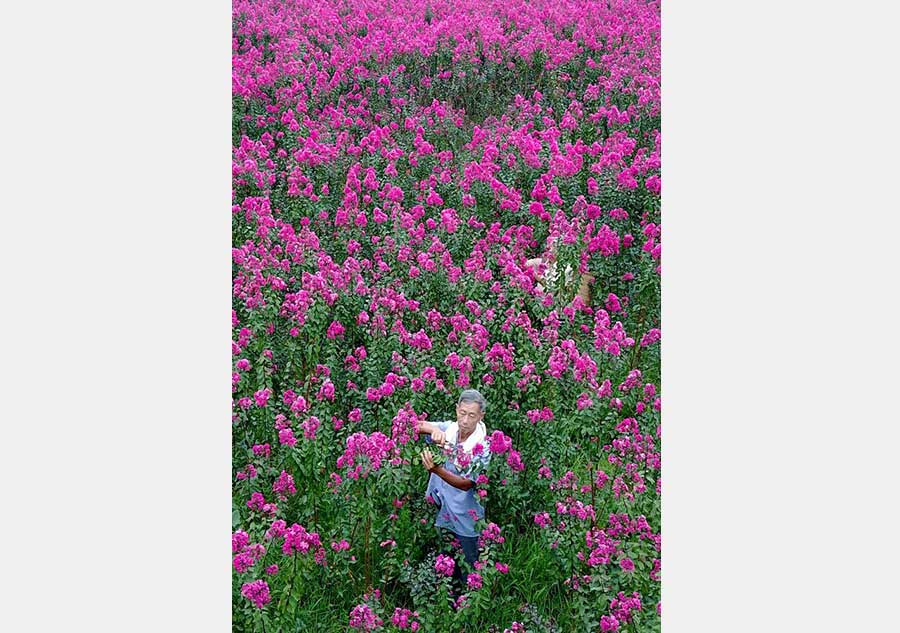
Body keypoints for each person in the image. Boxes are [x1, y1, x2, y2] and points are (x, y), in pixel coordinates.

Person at [416, 389, 491, 587]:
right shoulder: (450, 429)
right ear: (457, 409)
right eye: (462, 413)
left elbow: (467, 484)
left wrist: (436, 470)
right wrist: (434, 431)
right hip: (444, 510)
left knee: (467, 569)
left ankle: (466, 608)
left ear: (481, 416)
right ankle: (446, 605)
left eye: (472, 415)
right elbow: (416, 425)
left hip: (466, 517)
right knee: (445, 562)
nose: (465, 420)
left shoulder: (483, 447)